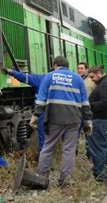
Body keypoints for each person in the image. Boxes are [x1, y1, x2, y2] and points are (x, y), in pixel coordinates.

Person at [33, 56, 93, 187]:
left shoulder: (49, 76)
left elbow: (41, 99)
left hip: (55, 118)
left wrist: (35, 116)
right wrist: (88, 121)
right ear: (67, 66)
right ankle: (65, 181)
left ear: (55, 65)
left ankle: (41, 178)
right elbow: (84, 102)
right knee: (69, 150)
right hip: (74, 119)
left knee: (48, 147)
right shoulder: (78, 78)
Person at [3, 67, 46, 151]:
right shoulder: (70, 80)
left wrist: (11, 72)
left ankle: (44, 161)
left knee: (43, 139)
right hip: (62, 113)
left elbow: (24, 77)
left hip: (44, 112)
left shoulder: (42, 78)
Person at [87, 65, 107, 182]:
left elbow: (105, 103)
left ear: (99, 73)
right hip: (104, 120)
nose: (92, 79)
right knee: (104, 145)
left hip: (101, 121)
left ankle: (100, 175)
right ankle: (105, 170)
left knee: (97, 147)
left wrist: (88, 105)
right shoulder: (105, 83)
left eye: (93, 77)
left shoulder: (106, 85)